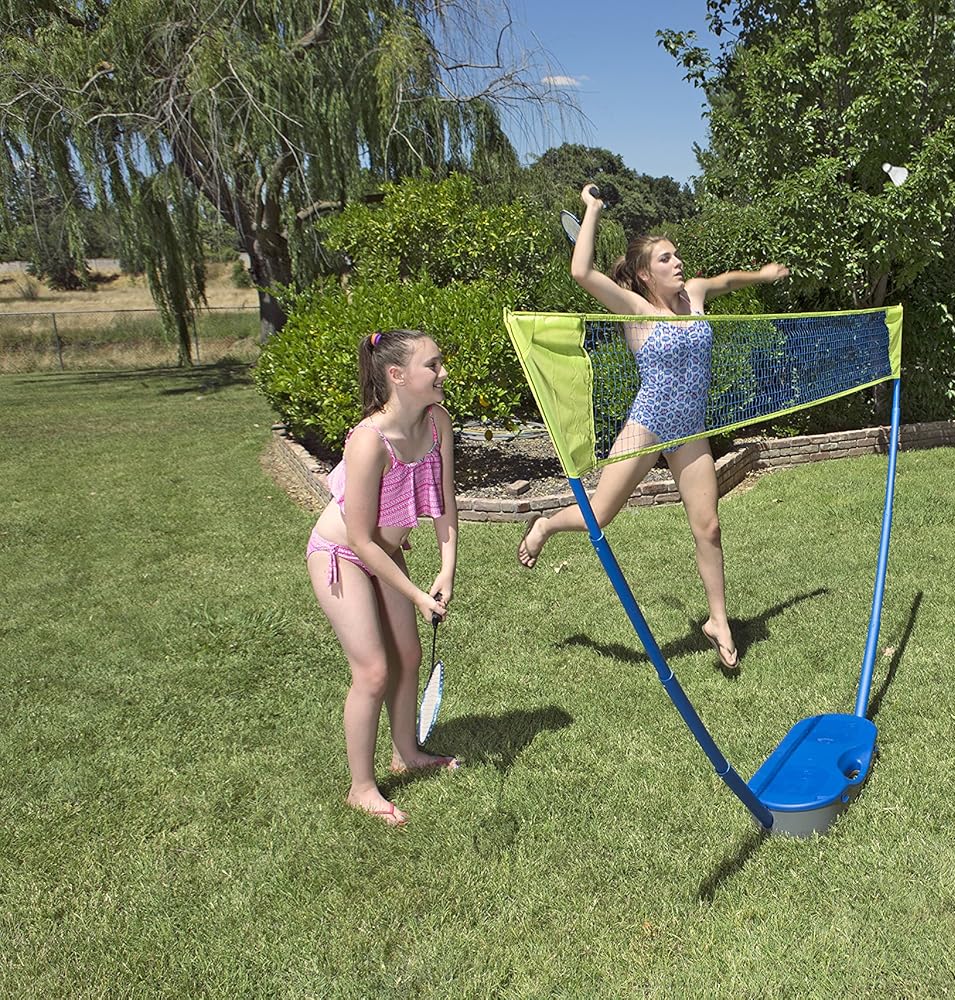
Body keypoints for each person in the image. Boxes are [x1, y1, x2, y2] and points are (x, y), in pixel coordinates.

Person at [516, 184, 789, 671]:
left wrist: (763, 276)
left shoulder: (694, 294)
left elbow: (727, 281)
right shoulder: (635, 309)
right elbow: (581, 272)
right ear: (646, 273)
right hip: (649, 423)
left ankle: (718, 621)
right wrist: (592, 210)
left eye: (677, 255)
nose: (678, 263)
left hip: (690, 429)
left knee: (708, 526)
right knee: (600, 516)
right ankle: (546, 525)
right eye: (666, 259)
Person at [307, 328, 460, 826]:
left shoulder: (437, 421)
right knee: (373, 671)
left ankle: (406, 753)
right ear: (397, 375)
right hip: (342, 555)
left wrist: (446, 569)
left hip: (385, 552)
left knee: (409, 655)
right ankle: (361, 787)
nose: (443, 373)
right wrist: (416, 594)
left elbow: (445, 503)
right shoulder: (368, 442)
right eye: (432, 366)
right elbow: (359, 538)